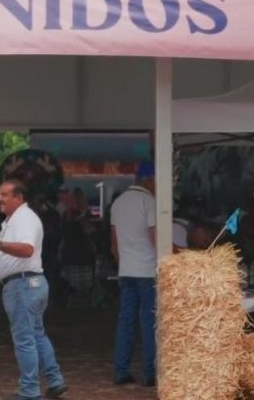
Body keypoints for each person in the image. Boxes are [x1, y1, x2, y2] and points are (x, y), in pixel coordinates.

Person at [0, 180, 67, 400]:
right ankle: (55, 381)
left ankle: (29, 391)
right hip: (31, 284)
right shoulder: (14, 220)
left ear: (19, 197)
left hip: (22, 285)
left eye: (5, 194)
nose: (0, 198)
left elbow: (26, 249)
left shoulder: (24, 219)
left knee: (24, 339)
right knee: (36, 334)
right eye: (0, 193)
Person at [109, 162, 157, 387]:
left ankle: (121, 371)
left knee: (125, 321)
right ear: (149, 179)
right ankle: (150, 373)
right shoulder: (149, 202)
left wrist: (124, 264)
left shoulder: (118, 203)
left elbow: (114, 245)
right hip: (147, 270)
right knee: (149, 321)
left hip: (126, 271)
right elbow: (155, 238)